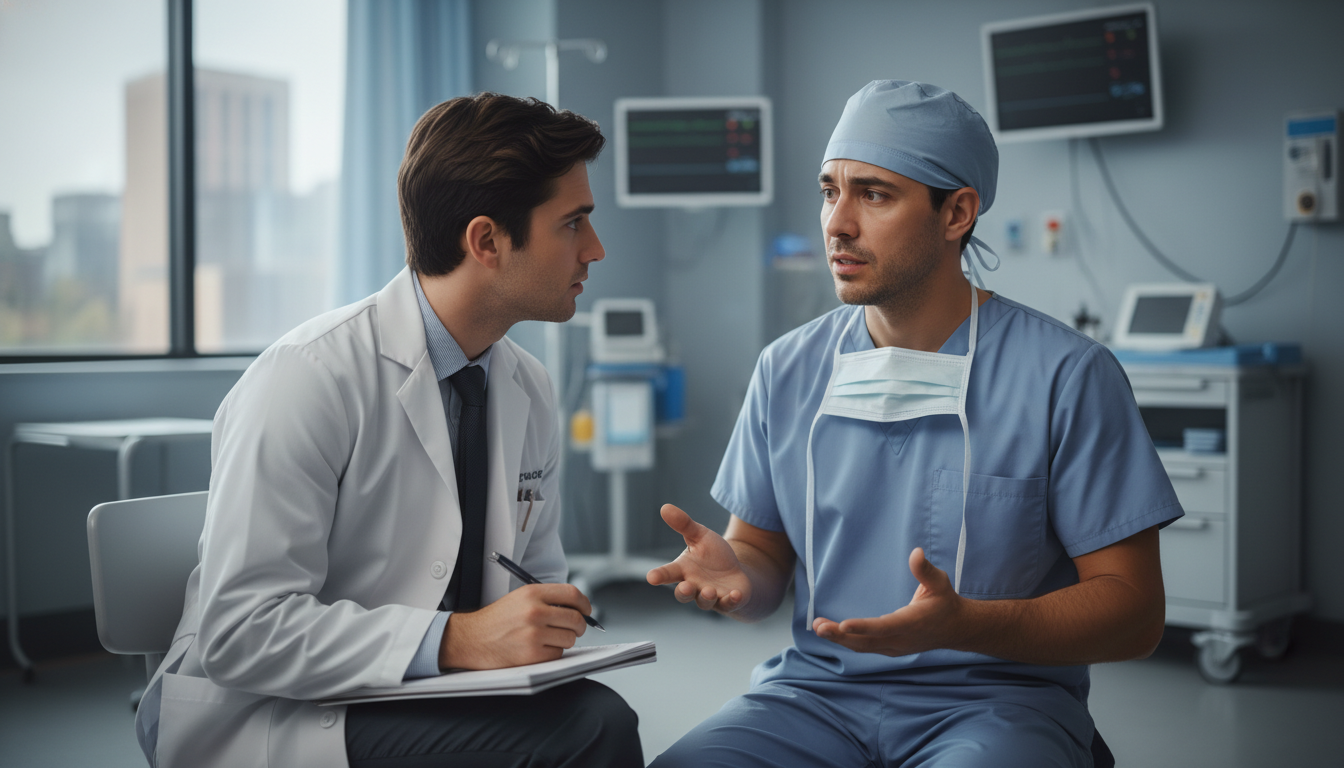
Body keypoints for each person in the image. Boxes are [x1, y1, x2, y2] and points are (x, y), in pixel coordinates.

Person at [646, 80, 1183, 767]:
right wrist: (740, 578)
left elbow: (1135, 613)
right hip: (813, 698)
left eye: (873, 194)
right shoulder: (788, 369)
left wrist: (969, 624)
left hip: (998, 704)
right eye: (828, 190)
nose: (837, 222)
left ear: (957, 212)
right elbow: (764, 561)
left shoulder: (1066, 375)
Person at [134, 93, 643, 768]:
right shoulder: (307, 376)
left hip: (424, 687)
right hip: (275, 708)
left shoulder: (527, 386)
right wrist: (456, 640)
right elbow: (239, 633)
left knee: (595, 713)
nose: (597, 250)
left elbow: (531, 579)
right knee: (587, 735)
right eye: (573, 223)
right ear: (486, 241)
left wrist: (542, 621)